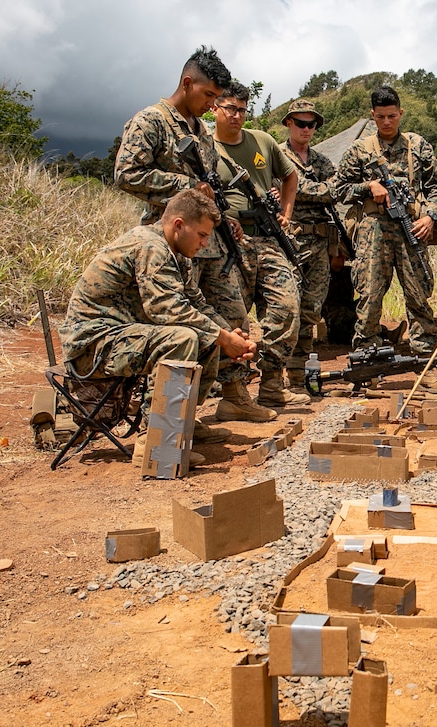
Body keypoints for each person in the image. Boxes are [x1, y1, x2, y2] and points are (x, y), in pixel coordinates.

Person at [113, 46, 270, 423]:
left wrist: (222, 217)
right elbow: (126, 174)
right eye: (209, 96)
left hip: (210, 243)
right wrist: (184, 185)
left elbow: (208, 190)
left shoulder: (200, 130)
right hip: (171, 243)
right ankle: (166, 420)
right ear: (187, 83)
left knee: (232, 317)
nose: (211, 106)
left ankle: (234, 395)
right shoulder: (150, 121)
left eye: (218, 99)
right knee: (178, 326)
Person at [58, 190, 257, 466]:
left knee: (204, 336)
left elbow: (198, 306)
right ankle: (155, 442)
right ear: (178, 225)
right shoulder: (151, 246)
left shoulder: (177, 254)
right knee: (183, 338)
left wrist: (231, 337)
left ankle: (181, 423)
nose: (205, 242)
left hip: (121, 336)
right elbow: (166, 309)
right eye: (201, 234)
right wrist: (223, 337)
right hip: (93, 343)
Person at [328, 85, 437, 394]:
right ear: (372, 116)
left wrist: (429, 216)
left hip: (411, 229)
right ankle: (365, 365)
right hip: (373, 231)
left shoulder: (418, 146)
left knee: (419, 297)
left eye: (392, 116)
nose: (386, 122)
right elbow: (338, 189)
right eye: (380, 117)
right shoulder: (360, 149)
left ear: (401, 114)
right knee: (369, 299)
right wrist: (369, 186)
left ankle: (424, 368)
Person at [212, 82, 308, 411]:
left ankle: (270, 383)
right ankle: (234, 394)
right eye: (229, 108)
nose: (236, 115)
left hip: (267, 237)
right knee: (232, 316)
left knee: (287, 307)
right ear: (215, 108)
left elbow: (290, 176)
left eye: (241, 109)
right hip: (227, 242)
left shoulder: (262, 141)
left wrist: (287, 213)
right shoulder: (204, 147)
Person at [277, 98, 345, 385]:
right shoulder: (276, 156)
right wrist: (316, 190)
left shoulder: (321, 160)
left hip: (318, 242)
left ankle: (297, 373)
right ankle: (273, 374)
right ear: (289, 123)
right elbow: (282, 188)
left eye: (312, 124)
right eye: (302, 123)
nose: (307, 129)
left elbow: (338, 190)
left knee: (310, 308)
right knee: (285, 307)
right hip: (288, 240)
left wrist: (303, 189)